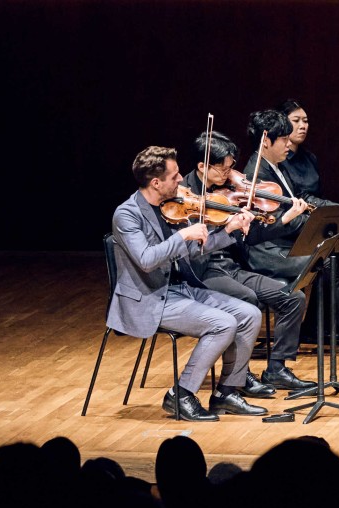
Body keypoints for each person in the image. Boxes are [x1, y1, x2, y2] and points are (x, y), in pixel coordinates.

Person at [108, 145, 268, 421]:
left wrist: (229, 230)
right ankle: (180, 395)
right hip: (149, 298)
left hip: (180, 289)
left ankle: (227, 392)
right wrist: (182, 237)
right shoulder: (127, 215)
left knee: (249, 314)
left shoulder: (171, 207)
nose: (182, 179)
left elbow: (195, 250)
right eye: (175, 175)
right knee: (223, 323)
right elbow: (147, 260)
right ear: (156, 182)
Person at [242, 109, 339, 358]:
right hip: (269, 250)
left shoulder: (279, 167)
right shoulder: (257, 174)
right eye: (284, 139)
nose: (289, 144)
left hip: (289, 240)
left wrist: (329, 215)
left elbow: (299, 202)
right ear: (266, 141)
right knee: (329, 261)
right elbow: (271, 223)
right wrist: (318, 223)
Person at [181, 130, 316, 392]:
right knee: (247, 300)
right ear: (202, 166)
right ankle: (239, 375)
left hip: (232, 267)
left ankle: (277, 369)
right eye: (223, 168)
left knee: (293, 297)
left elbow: (254, 237)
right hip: (202, 272)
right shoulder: (184, 197)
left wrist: (278, 219)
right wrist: (225, 227)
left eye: (231, 167)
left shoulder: (229, 192)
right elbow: (185, 249)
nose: (228, 173)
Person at [277, 98, 322, 197]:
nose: (303, 126)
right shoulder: (277, 159)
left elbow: (319, 195)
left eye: (305, 121)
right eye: (296, 120)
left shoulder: (311, 158)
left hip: (317, 210)